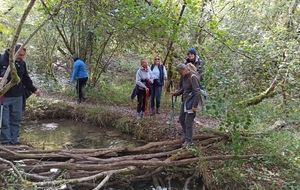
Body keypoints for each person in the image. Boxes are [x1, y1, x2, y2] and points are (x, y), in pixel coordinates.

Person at [0, 44, 41, 145]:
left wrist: (34, 90)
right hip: (4, 95)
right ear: (13, 52)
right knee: (4, 120)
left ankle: (14, 141)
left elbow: (26, 79)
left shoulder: (21, 63)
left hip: (18, 95)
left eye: (23, 55)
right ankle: (6, 142)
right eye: (19, 55)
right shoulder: (1, 59)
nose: (21, 57)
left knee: (16, 119)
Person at [171, 64, 200, 147]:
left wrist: (194, 106)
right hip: (185, 102)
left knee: (188, 121)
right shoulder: (184, 77)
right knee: (181, 118)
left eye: (180, 73)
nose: (180, 75)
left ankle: (189, 141)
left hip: (191, 102)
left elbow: (197, 92)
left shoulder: (193, 77)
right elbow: (183, 89)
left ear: (184, 70)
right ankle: (187, 134)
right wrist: (175, 94)